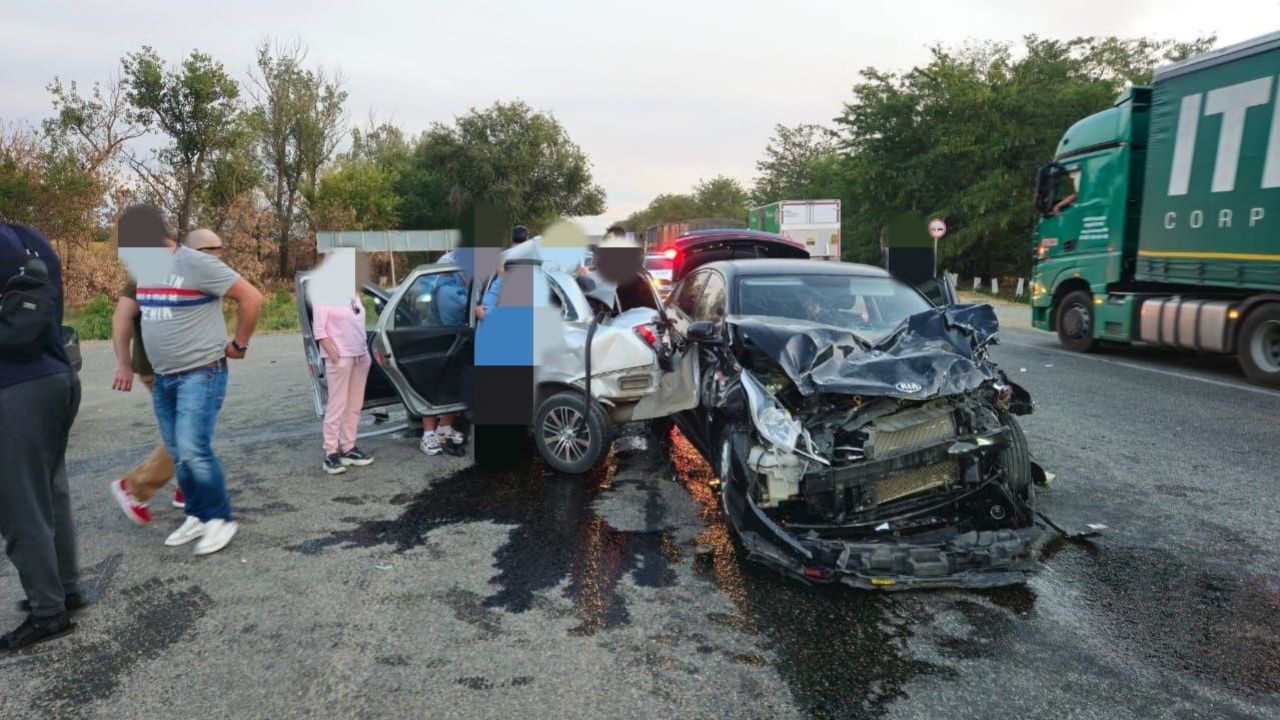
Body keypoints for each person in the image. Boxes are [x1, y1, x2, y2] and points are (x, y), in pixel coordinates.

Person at [140, 227, 262, 556]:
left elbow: (252, 297)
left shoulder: (196, 263)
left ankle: (221, 518)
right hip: (165, 377)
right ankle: (196, 514)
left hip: (200, 372)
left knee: (194, 448)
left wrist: (239, 344)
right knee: (179, 452)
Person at [0, 222, 82, 651]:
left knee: (19, 504)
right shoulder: (31, 237)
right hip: (57, 374)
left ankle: (48, 613)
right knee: (52, 490)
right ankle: (66, 588)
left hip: (13, 387)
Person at [108, 230, 227, 522]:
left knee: (190, 429)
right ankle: (134, 487)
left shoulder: (198, 271)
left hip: (190, 367)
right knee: (185, 435)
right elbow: (121, 317)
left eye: (220, 249)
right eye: (212, 249)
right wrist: (123, 362)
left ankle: (186, 490)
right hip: (160, 369)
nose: (219, 254)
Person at [314, 293, 375, 474]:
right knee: (337, 405)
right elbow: (319, 331)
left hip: (360, 355)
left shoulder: (353, 294)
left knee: (354, 405)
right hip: (340, 357)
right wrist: (335, 357)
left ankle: (348, 448)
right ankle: (330, 453)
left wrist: (364, 352)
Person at [420, 270, 468, 456]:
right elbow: (457, 313)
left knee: (454, 387)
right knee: (433, 388)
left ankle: (444, 427)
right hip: (437, 340)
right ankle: (428, 434)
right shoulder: (447, 287)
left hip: (453, 341)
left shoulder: (460, 282)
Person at [474, 224, 529, 322]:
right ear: (527, 239)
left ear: (511, 239)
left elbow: (487, 304)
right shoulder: (537, 261)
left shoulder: (502, 258)